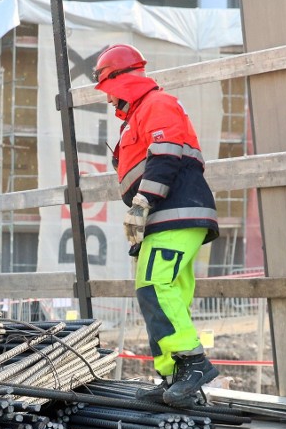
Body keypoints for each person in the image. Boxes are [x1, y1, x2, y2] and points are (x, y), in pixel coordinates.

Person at [93, 44, 219, 405]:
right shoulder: (140, 114)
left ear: (122, 79)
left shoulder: (158, 104)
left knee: (153, 286)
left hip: (175, 212)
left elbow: (166, 155)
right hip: (165, 217)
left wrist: (144, 202)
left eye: (110, 91)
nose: (109, 101)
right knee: (168, 292)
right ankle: (174, 378)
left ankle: (193, 364)